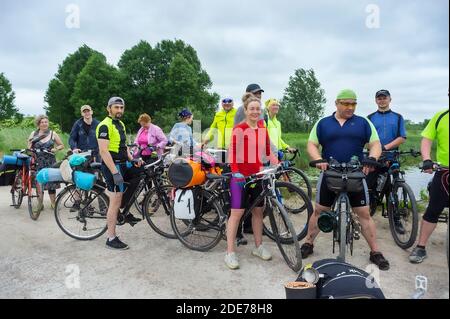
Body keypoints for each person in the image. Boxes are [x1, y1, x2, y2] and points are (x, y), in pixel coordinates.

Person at [302, 89, 390, 271]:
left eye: (353, 104)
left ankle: (375, 252)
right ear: (336, 103)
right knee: (319, 210)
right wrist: (318, 159)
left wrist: (372, 159)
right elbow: (312, 143)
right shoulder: (323, 123)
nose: (350, 107)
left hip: (355, 173)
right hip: (330, 172)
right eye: (346, 104)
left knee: (364, 214)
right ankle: (308, 243)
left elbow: (375, 144)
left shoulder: (363, 123)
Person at [224, 93, 278, 270]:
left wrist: (278, 163)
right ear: (246, 111)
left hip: (258, 176)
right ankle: (230, 253)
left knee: (258, 211)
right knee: (237, 214)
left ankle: (258, 246)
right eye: (252, 109)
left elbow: (268, 151)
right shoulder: (239, 128)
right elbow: (232, 153)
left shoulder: (262, 128)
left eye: (258, 109)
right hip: (240, 178)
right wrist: (236, 172)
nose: (255, 112)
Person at [96, 97, 143, 250]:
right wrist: (115, 172)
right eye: (116, 107)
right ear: (108, 108)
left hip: (123, 163)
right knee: (115, 201)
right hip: (112, 166)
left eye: (121, 108)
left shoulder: (120, 124)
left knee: (139, 173)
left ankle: (124, 208)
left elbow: (124, 147)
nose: (119, 110)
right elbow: (104, 151)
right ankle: (111, 238)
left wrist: (133, 158)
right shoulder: (104, 126)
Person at [409, 106, 449, 264]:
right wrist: (427, 160)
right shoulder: (441, 116)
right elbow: (427, 140)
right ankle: (421, 247)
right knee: (433, 210)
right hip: (445, 171)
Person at [366, 90, 407, 232]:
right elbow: (366, 138)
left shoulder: (398, 117)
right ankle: (368, 212)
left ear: (390, 99)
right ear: (376, 100)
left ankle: (395, 219)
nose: (382, 100)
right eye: (379, 98)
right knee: (369, 187)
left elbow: (402, 137)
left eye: (385, 98)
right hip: (375, 158)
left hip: (392, 157)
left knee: (393, 189)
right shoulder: (370, 117)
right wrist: (375, 149)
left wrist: (385, 147)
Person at [28, 115, 65, 212]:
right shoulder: (34, 134)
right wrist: (32, 151)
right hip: (38, 161)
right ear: (38, 124)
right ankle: (40, 204)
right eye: (42, 122)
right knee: (39, 182)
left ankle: (53, 204)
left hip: (50, 161)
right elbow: (29, 148)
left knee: (51, 182)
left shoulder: (53, 133)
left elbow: (61, 145)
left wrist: (55, 149)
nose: (44, 124)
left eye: (46, 122)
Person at [202, 96, 237, 161]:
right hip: (220, 147)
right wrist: (204, 142)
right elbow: (212, 130)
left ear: (233, 103)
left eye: (229, 101)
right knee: (220, 167)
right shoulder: (218, 114)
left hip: (233, 146)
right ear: (221, 103)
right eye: (224, 101)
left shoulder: (237, 113)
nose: (227, 103)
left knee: (233, 168)